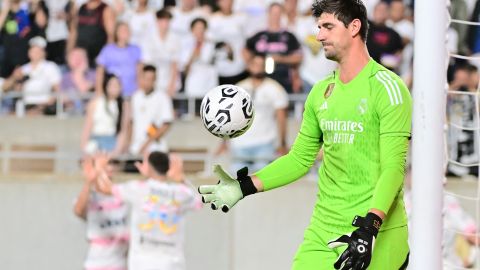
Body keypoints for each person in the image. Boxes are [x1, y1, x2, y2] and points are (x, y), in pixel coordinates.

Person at [199, 1, 412, 269]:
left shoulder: (388, 88)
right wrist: (244, 186)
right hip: (324, 230)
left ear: (354, 27)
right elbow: (300, 159)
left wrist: (371, 226)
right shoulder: (319, 92)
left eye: (328, 27)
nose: (320, 35)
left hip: (375, 232)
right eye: (319, 27)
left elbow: (393, 168)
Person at [95, 151, 202, 270]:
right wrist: (181, 178)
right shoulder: (180, 192)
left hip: (142, 261)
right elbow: (199, 201)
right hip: (172, 262)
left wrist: (99, 170)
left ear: (149, 167)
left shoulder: (138, 189)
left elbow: (104, 188)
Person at [217, 54, 288, 173]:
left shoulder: (275, 88)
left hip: (265, 143)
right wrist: (224, 142)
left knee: (261, 183)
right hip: (239, 143)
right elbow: (229, 116)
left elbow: (281, 118)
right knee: (236, 183)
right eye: (255, 64)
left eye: (261, 65)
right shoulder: (239, 87)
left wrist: (282, 143)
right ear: (249, 66)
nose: (257, 67)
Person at [73, 154, 129, 270]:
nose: (110, 167)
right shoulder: (90, 196)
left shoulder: (124, 192)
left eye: (113, 163)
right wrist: (89, 181)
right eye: (106, 164)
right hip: (96, 263)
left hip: (120, 263)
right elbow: (78, 210)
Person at [243, 2, 303, 93]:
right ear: (268, 14)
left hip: (283, 80)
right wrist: (251, 64)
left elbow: (298, 57)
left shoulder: (289, 36)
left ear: (281, 15)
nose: (275, 16)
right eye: (273, 13)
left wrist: (280, 59)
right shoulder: (259, 35)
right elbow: (245, 50)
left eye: (278, 13)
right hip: (261, 80)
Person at [3, 36, 62, 115]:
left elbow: (58, 89)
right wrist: (14, 77)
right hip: (24, 106)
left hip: (43, 106)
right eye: (33, 50)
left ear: (44, 52)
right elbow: (4, 88)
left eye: (38, 50)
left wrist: (46, 104)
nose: (35, 53)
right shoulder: (23, 69)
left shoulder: (50, 67)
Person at [129, 65, 174, 157]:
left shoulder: (162, 97)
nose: (148, 82)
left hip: (155, 148)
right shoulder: (135, 97)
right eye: (145, 79)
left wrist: (146, 144)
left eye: (151, 79)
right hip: (135, 148)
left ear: (155, 80)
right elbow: (131, 123)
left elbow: (165, 124)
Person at [81, 73, 129, 156]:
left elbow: (123, 130)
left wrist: (117, 150)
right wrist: (84, 146)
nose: (115, 88)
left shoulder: (124, 105)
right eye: (112, 85)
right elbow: (87, 127)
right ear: (106, 86)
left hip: (112, 143)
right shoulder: (95, 103)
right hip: (95, 142)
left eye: (117, 85)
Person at [95, 22, 142, 98]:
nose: (125, 33)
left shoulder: (136, 50)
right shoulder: (108, 50)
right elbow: (100, 72)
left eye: (127, 30)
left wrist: (139, 91)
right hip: (112, 93)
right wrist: (99, 91)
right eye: (123, 30)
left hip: (131, 92)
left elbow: (139, 72)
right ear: (117, 33)